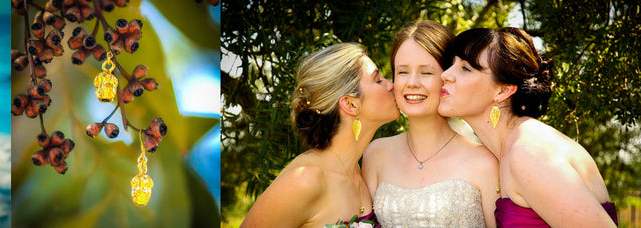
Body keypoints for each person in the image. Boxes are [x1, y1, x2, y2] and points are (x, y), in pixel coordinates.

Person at [439, 27, 617, 226]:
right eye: (451, 64)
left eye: (465, 68)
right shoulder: (507, 147)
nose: (445, 75)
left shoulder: (528, 152)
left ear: (503, 90)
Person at [241, 43, 398, 227]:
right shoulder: (305, 180)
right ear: (350, 104)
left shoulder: (360, 174)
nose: (391, 84)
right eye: (378, 80)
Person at [361, 21, 499, 228]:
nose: (412, 83)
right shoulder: (376, 154)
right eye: (403, 72)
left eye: (426, 72)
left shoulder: (484, 162)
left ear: (448, 77)